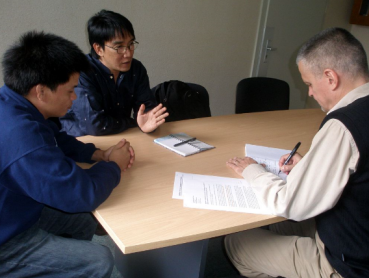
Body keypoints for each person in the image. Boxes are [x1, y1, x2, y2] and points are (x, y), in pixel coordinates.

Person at [225, 28, 369, 278]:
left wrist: (252, 169)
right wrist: (310, 165)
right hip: (358, 230)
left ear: (331, 78)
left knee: (237, 242)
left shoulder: (343, 126)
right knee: (278, 225)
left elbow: (289, 203)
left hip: (347, 265)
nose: (310, 93)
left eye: (309, 84)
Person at [0, 31, 135, 278]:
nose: (74, 98)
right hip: (6, 241)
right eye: (70, 90)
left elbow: (55, 138)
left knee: (83, 220)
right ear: (41, 91)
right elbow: (83, 194)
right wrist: (113, 165)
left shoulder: (13, 103)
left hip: (15, 207)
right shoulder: (22, 138)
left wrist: (98, 154)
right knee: (98, 259)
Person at [60, 9, 168, 136]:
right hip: (80, 142)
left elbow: (148, 111)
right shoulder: (81, 72)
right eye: (119, 47)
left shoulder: (136, 69)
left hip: (121, 136)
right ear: (99, 49)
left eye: (130, 44)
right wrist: (131, 122)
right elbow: (94, 126)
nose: (128, 54)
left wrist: (148, 123)